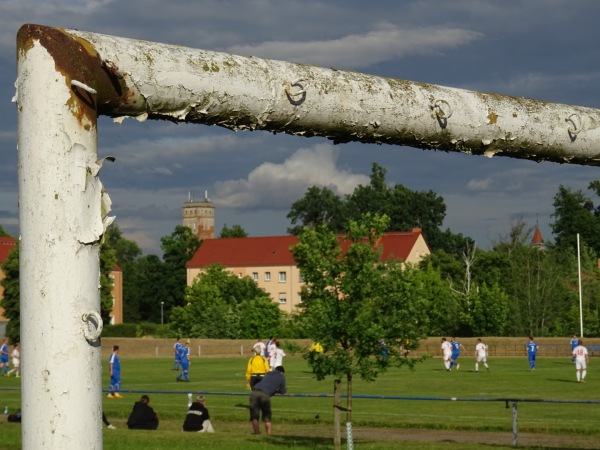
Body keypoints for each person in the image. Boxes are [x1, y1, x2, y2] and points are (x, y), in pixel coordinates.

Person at [249, 366, 287, 435]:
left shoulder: (268, 373)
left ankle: (256, 433)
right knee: (267, 416)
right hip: (264, 394)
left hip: (254, 392)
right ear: (282, 372)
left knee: (254, 415)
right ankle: (269, 435)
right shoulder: (281, 376)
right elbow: (283, 391)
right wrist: (275, 391)